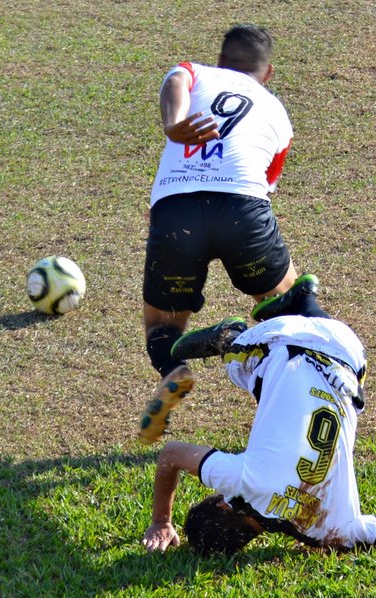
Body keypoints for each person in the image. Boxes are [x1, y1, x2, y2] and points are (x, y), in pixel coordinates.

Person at [139, 24, 313, 445]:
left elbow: (175, 79)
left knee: (161, 325)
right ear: (267, 72)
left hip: (175, 211)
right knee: (289, 310)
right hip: (241, 213)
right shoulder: (276, 112)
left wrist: (174, 122)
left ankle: (173, 370)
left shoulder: (195, 73)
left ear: (220, 61)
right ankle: (298, 404)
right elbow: (267, 187)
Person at [141, 292, 376, 553]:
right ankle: (234, 337)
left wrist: (328, 538)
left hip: (351, 354)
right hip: (281, 336)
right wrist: (161, 522)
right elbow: (171, 454)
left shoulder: (334, 529)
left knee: (314, 386)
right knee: (243, 370)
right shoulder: (241, 483)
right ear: (225, 506)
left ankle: (306, 303)